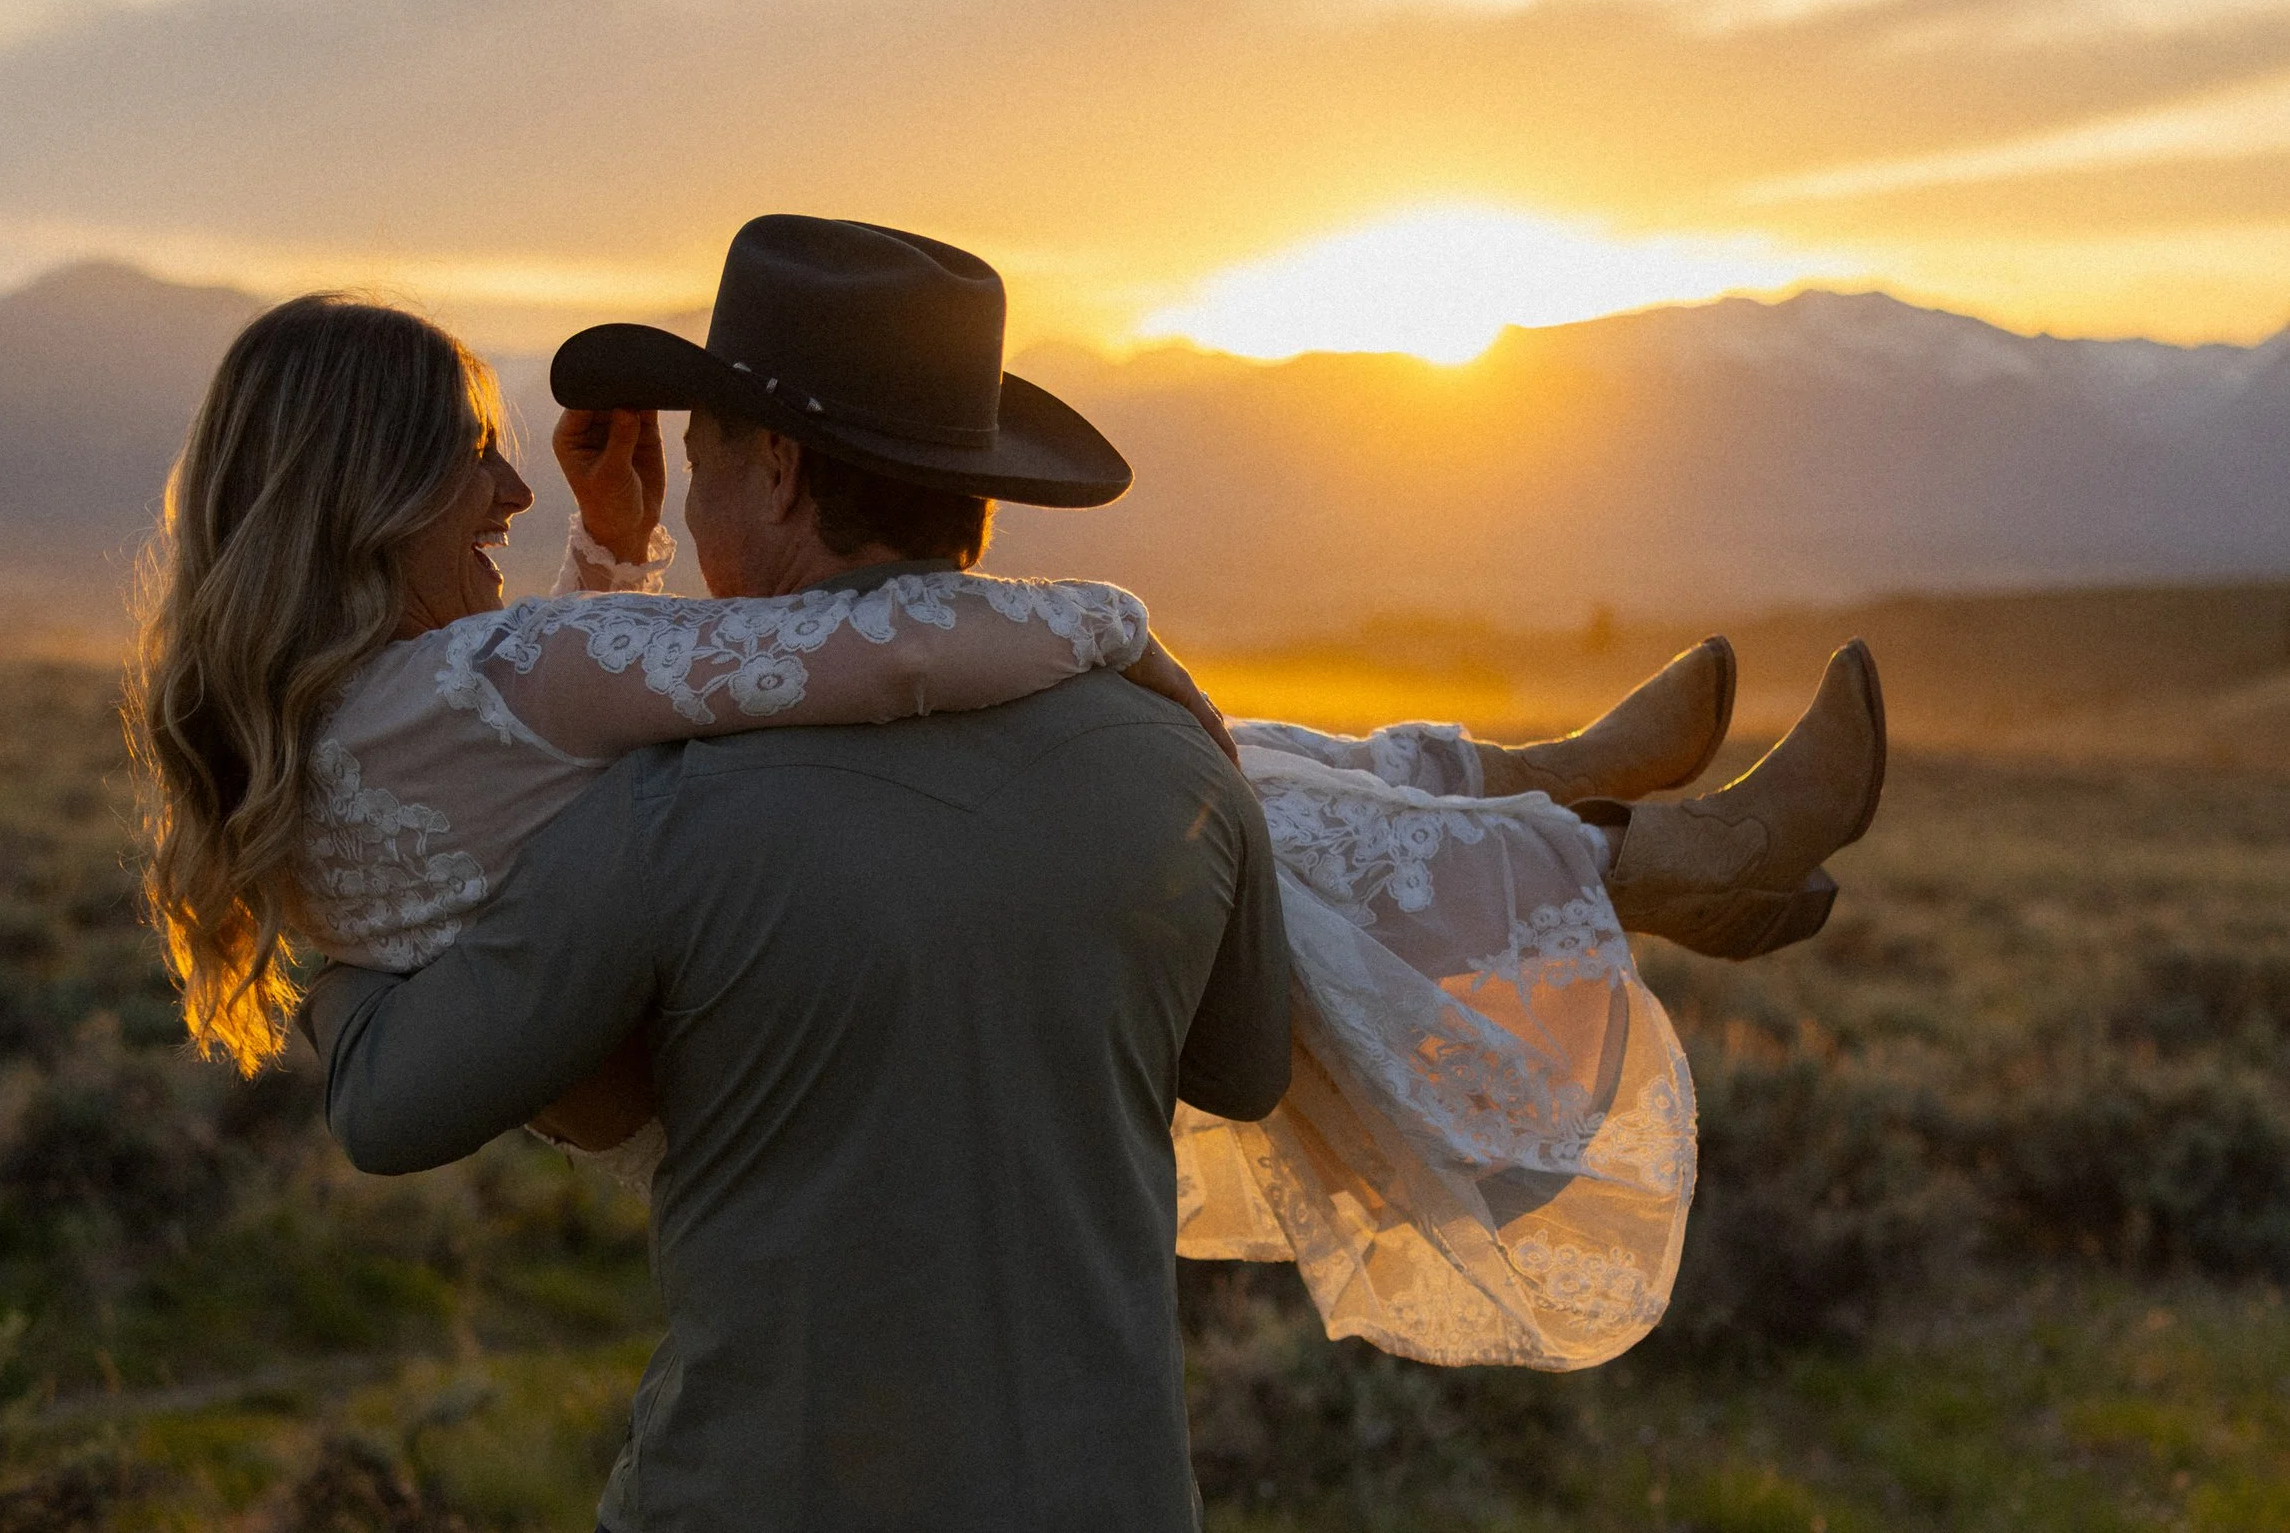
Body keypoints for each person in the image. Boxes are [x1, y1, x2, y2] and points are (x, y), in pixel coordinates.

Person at [142, 215, 1883, 1531]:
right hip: (1111, 1494)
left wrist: (335, 908)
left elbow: (483, 1098)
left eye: (714, 446)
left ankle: (1601, 821)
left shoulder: (663, 814)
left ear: (780, 465)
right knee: (1265, 768)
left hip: (776, 1497)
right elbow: (1244, 1057)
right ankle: (1589, 823)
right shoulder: (1145, 760)